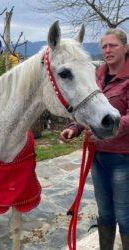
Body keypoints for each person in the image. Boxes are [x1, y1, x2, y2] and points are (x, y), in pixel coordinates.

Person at [60, 28, 129, 250]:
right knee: (105, 212)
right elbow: (88, 108)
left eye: (113, 45)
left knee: (124, 214)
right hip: (97, 157)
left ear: (125, 48)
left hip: (122, 157)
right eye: (104, 46)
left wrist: (113, 129)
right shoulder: (97, 75)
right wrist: (75, 128)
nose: (107, 50)